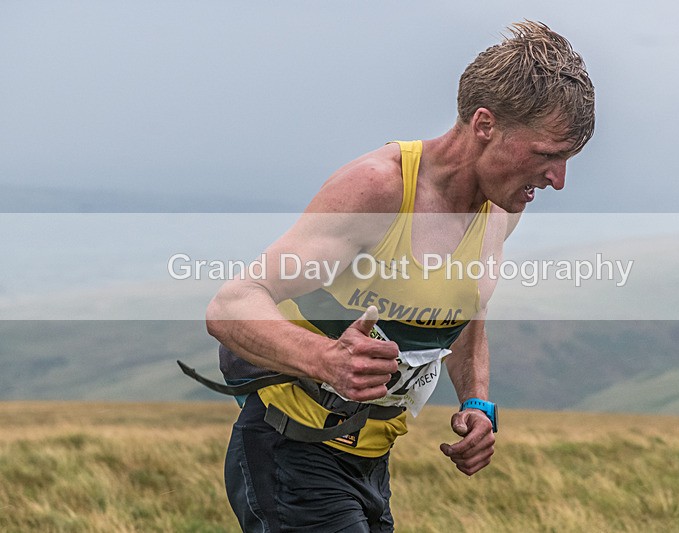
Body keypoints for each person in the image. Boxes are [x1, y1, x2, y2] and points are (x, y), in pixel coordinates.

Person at [200, 20, 594, 532]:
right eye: (547, 155)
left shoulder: (502, 206)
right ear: (484, 125)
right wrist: (325, 359)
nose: (558, 180)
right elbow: (231, 304)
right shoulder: (379, 189)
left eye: (567, 160)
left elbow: (468, 311)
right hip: (290, 449)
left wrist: (475, 402)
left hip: (372, 462)